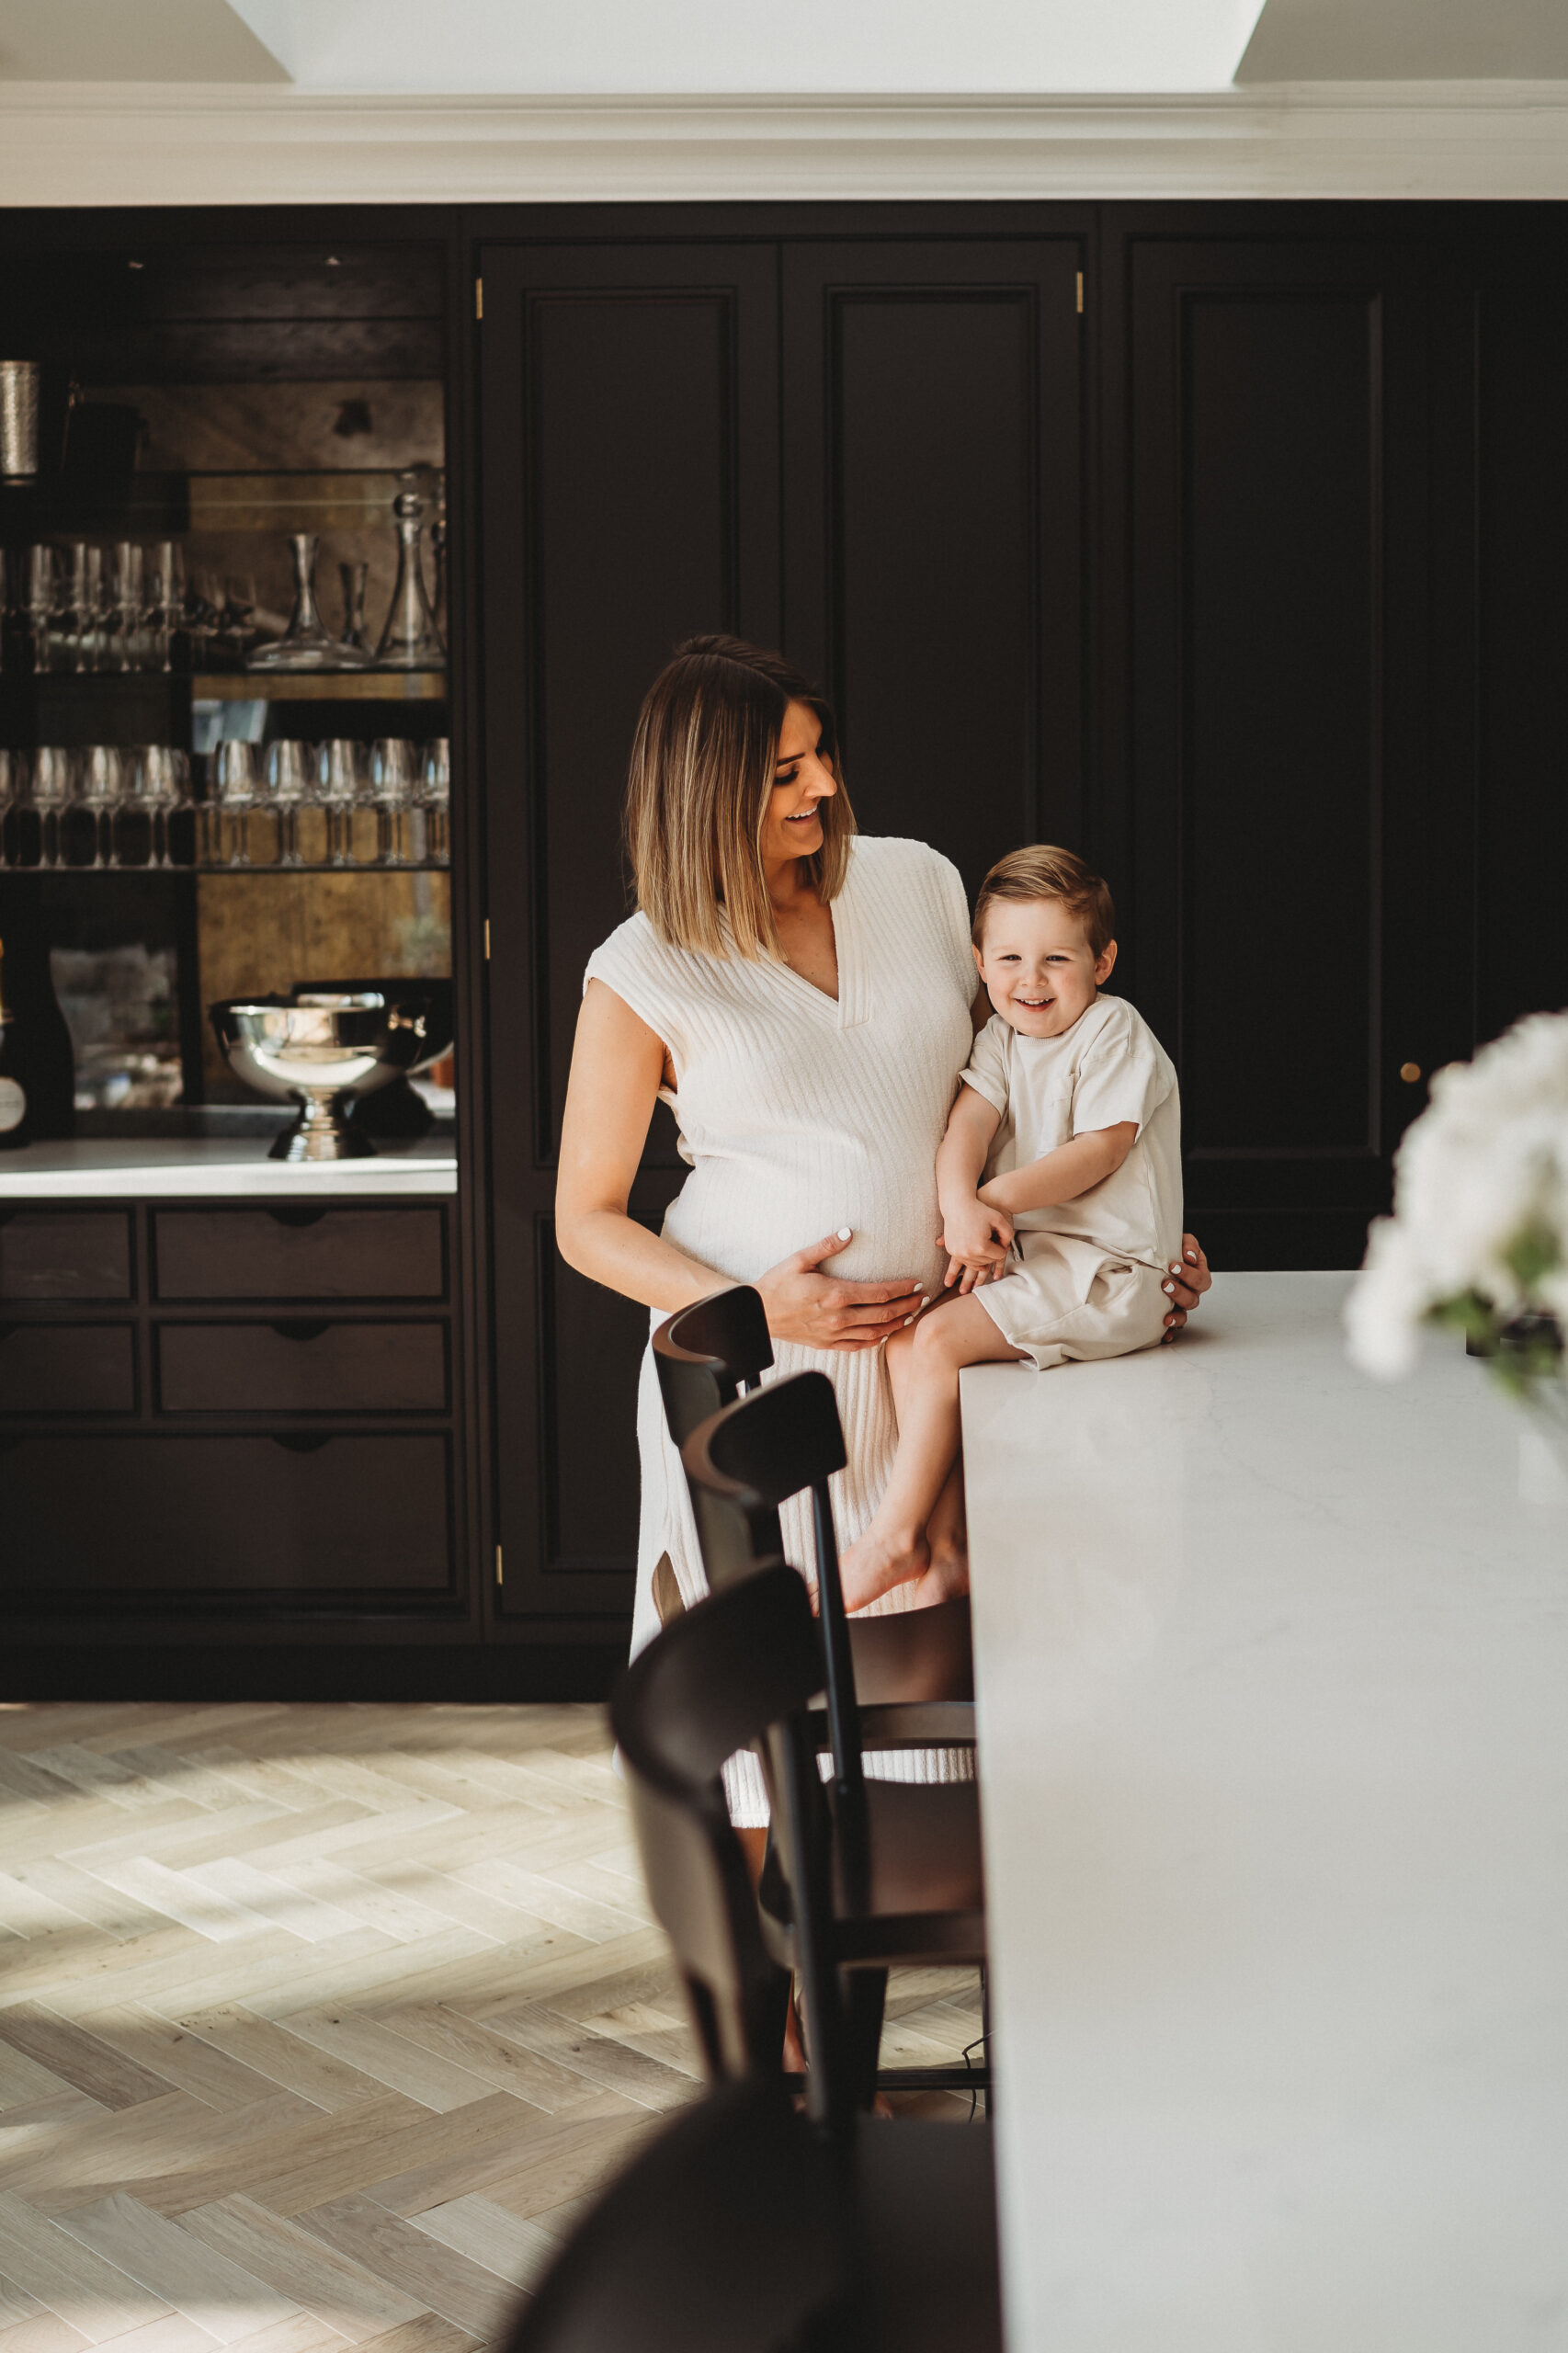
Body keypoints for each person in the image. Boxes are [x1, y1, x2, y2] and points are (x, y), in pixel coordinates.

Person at [554, 636, 1211, 1828]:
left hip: (931, 1376)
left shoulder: (914, 882)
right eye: (780, 774)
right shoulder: (642, 967)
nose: (819, 790)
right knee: (763, 1718)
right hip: (763, 1379)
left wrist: (1130, 1230)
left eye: (819, 757)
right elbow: (584, 1223)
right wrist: (756, 1301)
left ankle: (910, 1977)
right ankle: (785, 2003)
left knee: (933, 1717)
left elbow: (1022, 1083)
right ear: (704, 791)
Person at [839, 844, 1182, 1614]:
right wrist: (960, 1203)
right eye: (1010, 958)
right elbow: (968, 1122)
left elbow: (1101, 1149)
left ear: (1103, 962)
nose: (1031, 980)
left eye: (1057, 958)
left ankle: (895, 1538)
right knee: (907, 1342)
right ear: (979, 962)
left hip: (1110, 1275)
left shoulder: (1112, 1031)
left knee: (935, 1340)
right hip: (1048, 1270)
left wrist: (993, 1201)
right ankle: (950, 1547)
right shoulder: (999, 1039)